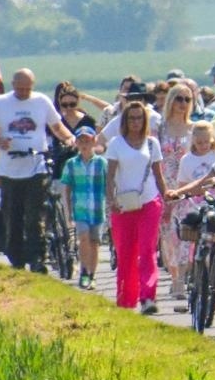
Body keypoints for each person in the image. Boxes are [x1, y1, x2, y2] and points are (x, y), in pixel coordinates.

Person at [0, 69, 76, 273]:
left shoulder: (41, 101)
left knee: (36, 215)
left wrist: (69, 138)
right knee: (13, 216)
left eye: (27, 89)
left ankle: (38, 259)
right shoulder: (1, 103)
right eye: (20, 89)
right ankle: (16, 259)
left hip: (36, 165)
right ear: (13, 85)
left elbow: (57, 126)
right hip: (9, 169)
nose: (24, 92)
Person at [104, 100, 175, 313]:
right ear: (125, 121)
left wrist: (167, 197)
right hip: (124, 205)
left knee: (147, 250)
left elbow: (158, 175)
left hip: (149, 202)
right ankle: (126, 299)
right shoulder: (116, 144)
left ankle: (148, 297)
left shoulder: (152, 144)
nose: (135, 122)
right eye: (131, 118)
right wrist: (111, 200)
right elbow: (110, 176)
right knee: (125, 253)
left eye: (139, 118)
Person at [157, 84, 197, 299]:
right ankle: (174, 277)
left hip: (186, 187)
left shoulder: (193, 129)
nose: (182, 103)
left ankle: (181, 280)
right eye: (179, 99)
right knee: (168, 237)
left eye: (187, 99)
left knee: (185, 235)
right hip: (164, 186)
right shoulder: (160, 129)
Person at [59, 128, 107, 290]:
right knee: (84, 238)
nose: (84, 144)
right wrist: (68, 210)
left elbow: (109, 184)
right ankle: (84, 272)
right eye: (81, 141)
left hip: (97, 209)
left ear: (93, 141)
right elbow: (67, 188)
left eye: (87, 140)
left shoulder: (101, 163)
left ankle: (92, 274)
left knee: (95, 242)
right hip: (80, 209)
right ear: (77, 143)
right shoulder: (71, 164)